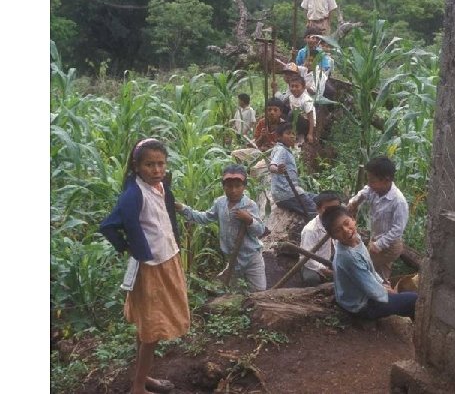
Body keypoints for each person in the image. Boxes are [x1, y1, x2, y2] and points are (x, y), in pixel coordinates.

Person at [99, 138, 189, 394]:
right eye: (150, 164)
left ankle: (143, 377)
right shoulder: (133, 194)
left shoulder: (161, 187)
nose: (157, 169)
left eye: (161, 164)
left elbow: (166, 218)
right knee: (151, 330)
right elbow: (108, 225)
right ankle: (138, 387)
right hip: (151, 267)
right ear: (137, 166)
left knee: (148, 328)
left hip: (167, 259)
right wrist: (130, 247)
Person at [175, 164, 267, 292]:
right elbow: (205, 217)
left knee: (259, 291)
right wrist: (183, 209)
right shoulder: (220, 203)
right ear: (223, 187)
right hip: (233, 260)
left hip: (251, 257)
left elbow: (260, 231)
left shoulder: (249, 205)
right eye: (229, 186)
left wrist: (249, 220)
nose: (233, 190)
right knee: (236, 293)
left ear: (244, 187)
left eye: (237, 186)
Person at [322, 205, 417, 320]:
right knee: (414, 300)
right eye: (338, 230)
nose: (346, 230)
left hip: (355, 296)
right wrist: (389, 293)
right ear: (333, 236)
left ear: (353, 219)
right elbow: (372, 290)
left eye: (346, 223)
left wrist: (382, 282)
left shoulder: (356, 239)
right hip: (360, 306)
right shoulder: (348, 257)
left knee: (399, 296)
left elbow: (369, 269)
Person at [346, 156, 409, 281]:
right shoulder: (374, 189)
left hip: (389, 246)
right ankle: (383, 291)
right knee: (381, 271)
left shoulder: (398, 202)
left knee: (367, 266)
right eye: (368, 180)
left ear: (386, 180)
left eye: (372, 181)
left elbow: (397, 230)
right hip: (376, 238)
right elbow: (364, 193)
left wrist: (379, 245)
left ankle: (378, 291)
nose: (369, 184)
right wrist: (354, 202)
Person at [269, 121, 317, 219]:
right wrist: (278, 169)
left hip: (291, 191)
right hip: (287, 193)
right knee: (315, 210)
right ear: (278, 137)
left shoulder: (286, 150)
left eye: (293, 134)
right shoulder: (281, 150)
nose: (292, 136)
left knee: (317, 198)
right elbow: (272, 166)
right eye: (288, 133)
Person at [300, 191, 342, 286]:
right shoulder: (310, 230)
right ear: (318, 209)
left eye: (335, 209)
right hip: (312, 264)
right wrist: (325, 270)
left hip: (333, 260)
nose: (332, 212)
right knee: (311, 279)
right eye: (327, 209)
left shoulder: (341, 223)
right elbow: (308, 259)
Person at [287, 75, 315, 144]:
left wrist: (310, 134)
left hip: (307, 124)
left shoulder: (307, 100)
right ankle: (291, 133)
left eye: (297, 86)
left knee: (292, 113)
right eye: (292, 86)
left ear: (303, 87)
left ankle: (300, 135)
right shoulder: (291, 97)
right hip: (297, 121)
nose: (294, 88)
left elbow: (311, 118)